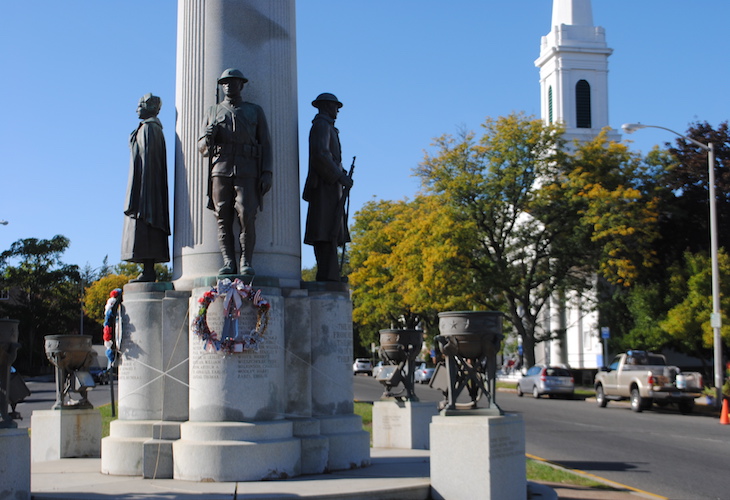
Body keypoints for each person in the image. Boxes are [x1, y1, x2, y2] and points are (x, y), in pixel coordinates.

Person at [198, 68, 273, 276]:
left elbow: (265, 143)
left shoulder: (254, 111)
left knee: (247, 214)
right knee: (222, 215)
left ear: (242, 85)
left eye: (234, 82)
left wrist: (267, 171)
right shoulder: (212, 112)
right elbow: (201, 147)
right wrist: (208, 137)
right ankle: (229, 261)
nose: (229, 85)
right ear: (221, 86)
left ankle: (246, 261)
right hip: (220, 169)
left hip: (248, 169)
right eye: (225, 82)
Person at [303, 93, 353, 282]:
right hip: (324, 186)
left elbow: (330, 157)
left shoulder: (328, 126)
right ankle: (327, 274)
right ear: (325, 106)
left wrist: (342, 172)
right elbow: (321, 155)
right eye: (334, 106)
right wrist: (339, 176)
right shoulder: (321, 125)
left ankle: (330, 274)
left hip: (329, 185)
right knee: (325, 230)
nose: (337, 110)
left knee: (331, 229)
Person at [121, 93, 170, 282]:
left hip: (146, 190)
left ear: (150, 107)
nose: (136, 109)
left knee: (147, 229)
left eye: (140, 105)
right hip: (141, 187)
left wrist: (143, 196)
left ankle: (149, 269)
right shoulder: (145, 128)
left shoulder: (150, 129)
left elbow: (149, 162)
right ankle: (147, 269)